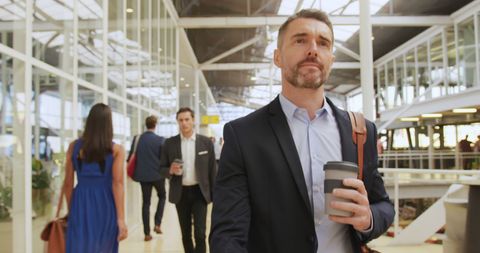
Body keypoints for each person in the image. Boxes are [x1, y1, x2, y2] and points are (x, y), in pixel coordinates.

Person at [210, 9, 394, 253]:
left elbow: (383, 205)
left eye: (323, 43)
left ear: (331, 59)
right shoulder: (244, 135)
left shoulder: (360, 131)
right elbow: (228, 235)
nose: (313, 50)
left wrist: (367, 217)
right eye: (300, 40)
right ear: (277, 57)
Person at [63, 103, 127, 253]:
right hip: (105, 204)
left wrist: (71, 210)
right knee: (103, 246)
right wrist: (121, 219)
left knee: (79, 246)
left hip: (80, 202)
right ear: (108, 124)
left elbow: (68, 183)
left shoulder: (74, 147)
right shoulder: (116, 150)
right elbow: (117, 184)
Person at [160, 107, 217, 253]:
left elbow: (212, 171)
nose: (184, 123)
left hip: (200, 193)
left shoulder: (205, 143)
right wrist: (170, 170)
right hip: (181, 193)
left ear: (193, 121)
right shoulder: (169, 143)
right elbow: (161, 169)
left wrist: (215, 195)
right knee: (185, 234)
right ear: (177, 122)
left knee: (200, 233)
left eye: (187, 119)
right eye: (181, 120)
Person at [127, 115, 166, 241]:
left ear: (146, 124)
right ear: (155, 125)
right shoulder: (160, 140)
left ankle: (147, 233)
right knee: (162, 196)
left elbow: (130, 158)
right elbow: (164, 159)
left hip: (143, 176)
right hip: (158, 175)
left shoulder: (137, 139)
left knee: (146, 203)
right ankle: (157, 223)